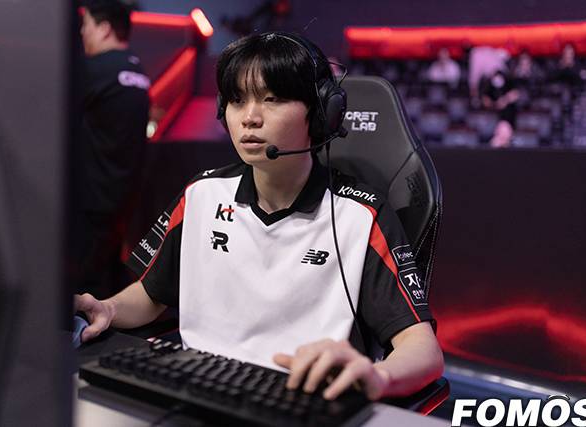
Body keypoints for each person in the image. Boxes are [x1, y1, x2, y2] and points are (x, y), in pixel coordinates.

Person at [75, 32, 443, 401]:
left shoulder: (361, 216)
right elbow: (150, 295)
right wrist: (109, 308)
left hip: (303, 400)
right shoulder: (201, 194)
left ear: (321, 113)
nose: (249, 118)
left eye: (273, 99)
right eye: (237, 100)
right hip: (194, 391)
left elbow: (423, 349)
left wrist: (378, 376)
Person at [71, 0, 150, 300]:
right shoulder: (138, 72)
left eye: (86, 25)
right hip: (122, 200)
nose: (82, 32)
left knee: (82, 291)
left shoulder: (90, 70)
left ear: (104, 29)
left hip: (88, 201)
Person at [480, 69, 520, 148]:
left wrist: (505, 100)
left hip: (508, 117)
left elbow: (516, 94)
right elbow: (484, 98)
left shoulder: (509, 83)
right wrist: (494, 104)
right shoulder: (489, 86)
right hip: (494, 117)